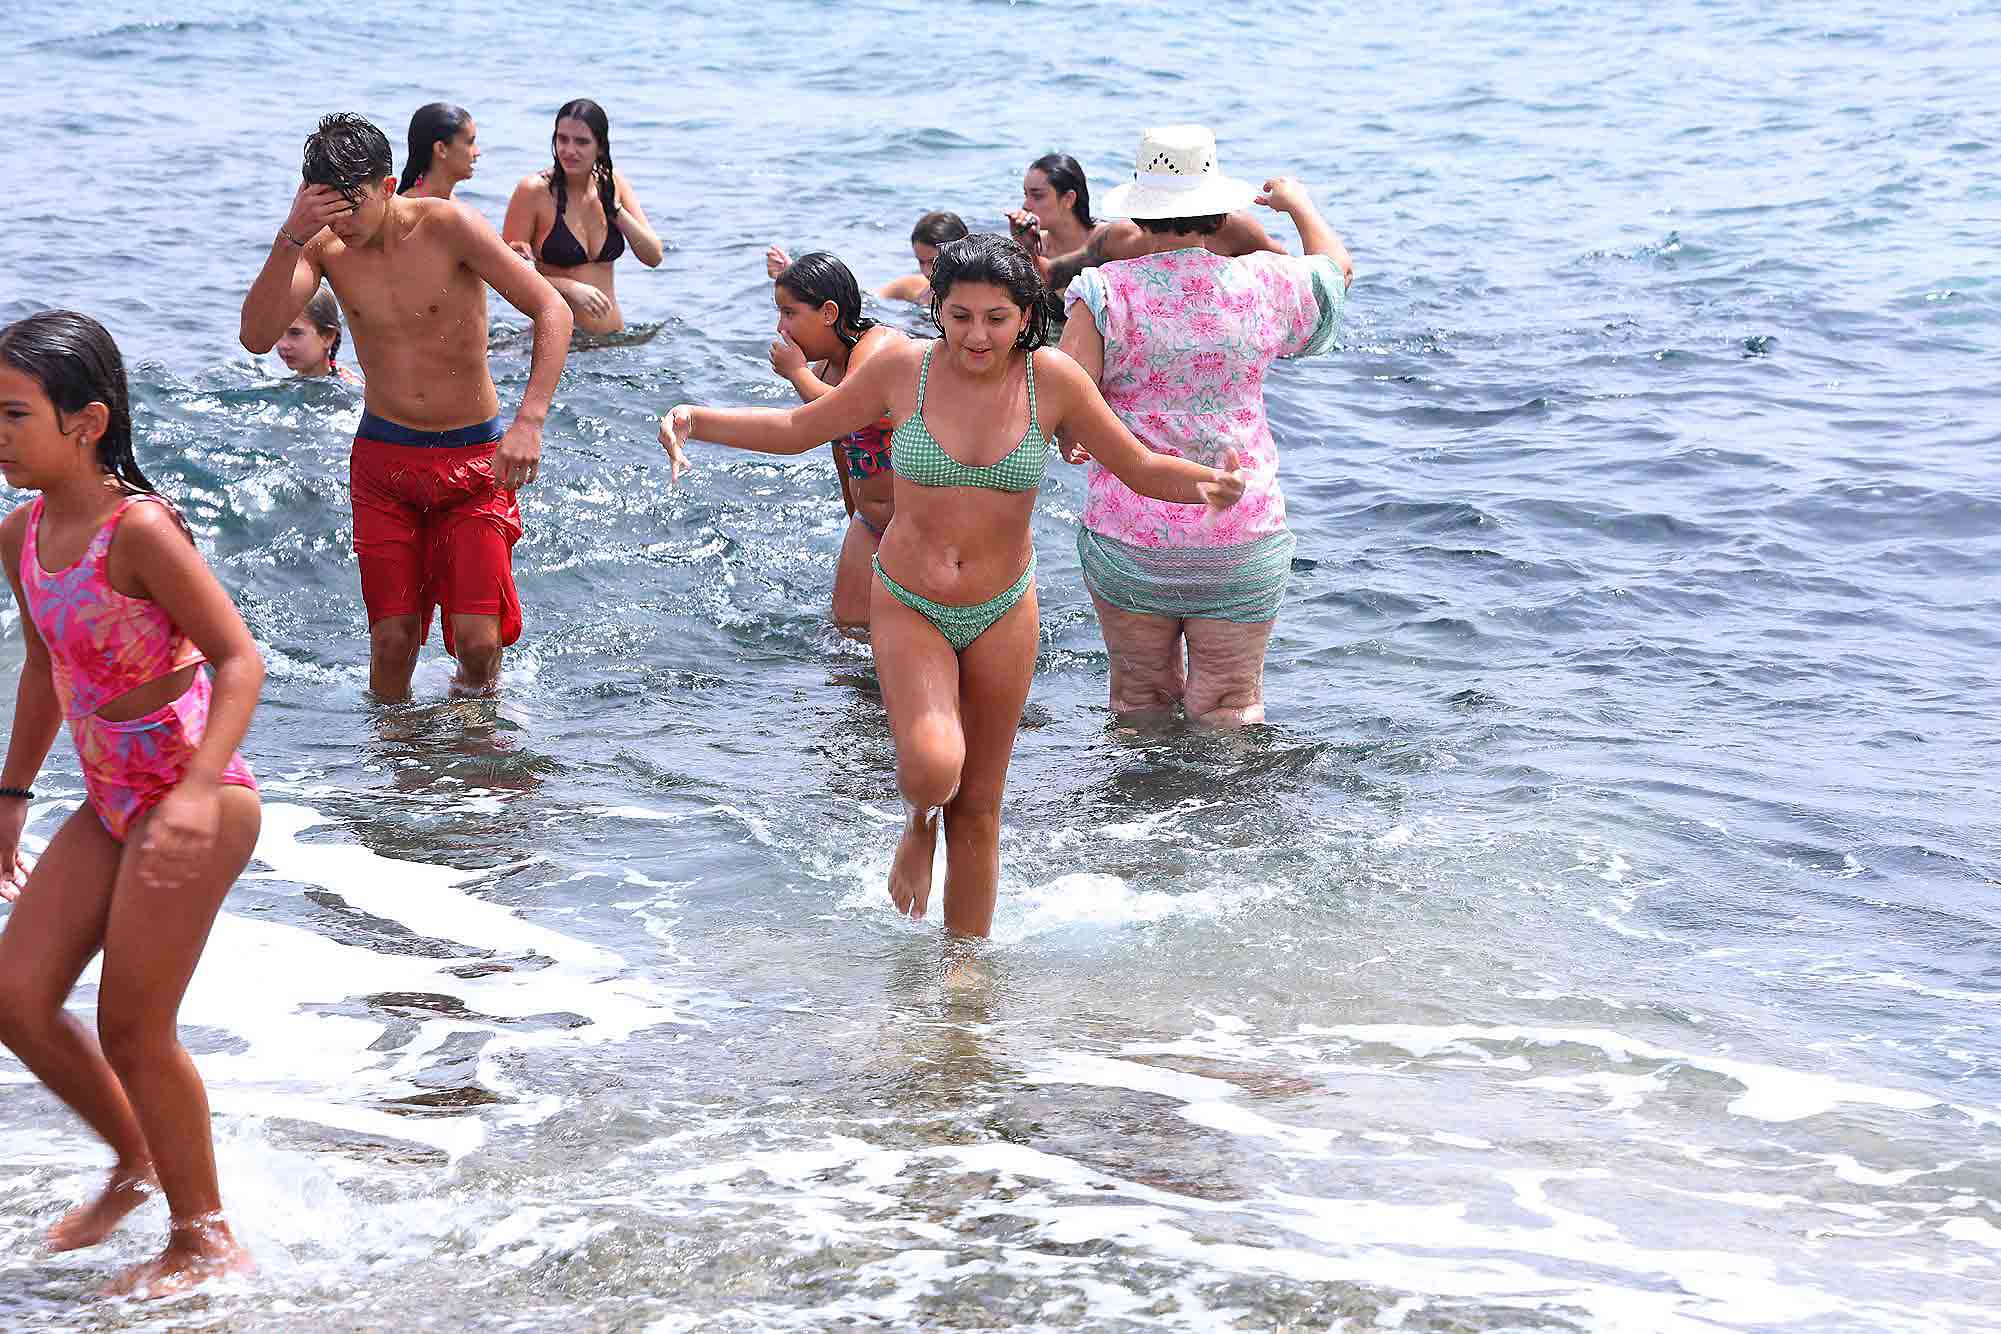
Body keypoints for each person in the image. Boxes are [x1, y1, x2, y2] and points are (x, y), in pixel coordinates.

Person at [659, 235, 1246, 938]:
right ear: (937, 309)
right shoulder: (902, 372)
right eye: (960, 315)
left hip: (1004, 608)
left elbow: (1139, 464)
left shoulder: (1052, 379)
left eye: (996, 318)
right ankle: (915, 821)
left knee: (980, 807)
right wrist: (697, 420)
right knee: (936, 766)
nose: (977, 334)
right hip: (909, 599)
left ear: (1026, 315)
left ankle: (963, 978)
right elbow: (797, 427)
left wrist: (1205, 485)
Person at [0, 311, 265, 1298]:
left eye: (14, 412)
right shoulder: (21, 533)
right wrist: (13, 796)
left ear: (88, 419)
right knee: (16, 996)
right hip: (109, 798)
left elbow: (241, 660)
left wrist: (197, 792)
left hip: (198, 794)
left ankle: (206, 1237)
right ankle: (135, 1159)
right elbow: (41, 670)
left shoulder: (140, 529)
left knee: (134, 1027)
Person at [238, 112, 573, 700]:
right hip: (385, 462)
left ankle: (472, 753)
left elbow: (552, 310)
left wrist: (530, 421)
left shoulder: (450, 227)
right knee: (392, 642)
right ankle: (397, 784)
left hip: (474, 459)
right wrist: (290, 235)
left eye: (353, 205)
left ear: (388, 187)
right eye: (327, 208)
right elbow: (256, 335)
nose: (342, 223)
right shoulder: (322, 247)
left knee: (477, 642)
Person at [1057, 126, 1354, 726]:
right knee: (1228, 704)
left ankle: (1133, 817)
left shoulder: (1104, 294)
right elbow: (1335, 272)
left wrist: (1073, 441)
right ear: (1218, 211)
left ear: (1140, 211)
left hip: (1130, 532)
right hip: (1239, 529)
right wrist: (1299, 205)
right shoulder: (1265, 283)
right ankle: (1224, 818)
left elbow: (1067, 405)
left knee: (1138, 700)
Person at [765, 252, 908, 634]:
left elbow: (846, 410)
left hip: (917, 524)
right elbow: (840, 448)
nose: (782, 328)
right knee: (848, 636)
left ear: (829, 312)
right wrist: (853, 514)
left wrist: (795, 373)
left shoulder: (878, 347)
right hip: (869, 522)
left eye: (790, 313)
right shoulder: (823, 370)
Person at [1007, 149, 1285, 294]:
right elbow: (1046, 276)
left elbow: (1288, 272)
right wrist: (1027, 247)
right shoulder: (1119, 237)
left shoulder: (1236, 229)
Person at [503, 99, 663, 335]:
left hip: (615, 342)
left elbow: (653, 257)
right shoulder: (534, 191)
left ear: (600, 147)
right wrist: (569, 287)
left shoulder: (614, 183)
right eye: (562, 139)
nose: (569, 150)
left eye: (581, 142)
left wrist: (615, 210)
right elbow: (507, 277)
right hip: (558, 343)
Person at [765, 211, 970, 304]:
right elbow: (855, 299)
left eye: (933, 262)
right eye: (920, 262)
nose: (926, 271)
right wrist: (796, 277)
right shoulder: (914, 289)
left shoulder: (977, 299)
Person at [271, 284, 361, 384]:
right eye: (277, 333)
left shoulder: (349, 386)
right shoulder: (279, 385)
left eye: (295, 333)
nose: (283, 345)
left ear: (328, 337)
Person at [397, 102, 478, 202]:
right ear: (441, 149)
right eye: (470, 142)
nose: (477, 152)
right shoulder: (408, 209)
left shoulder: (453, 204)